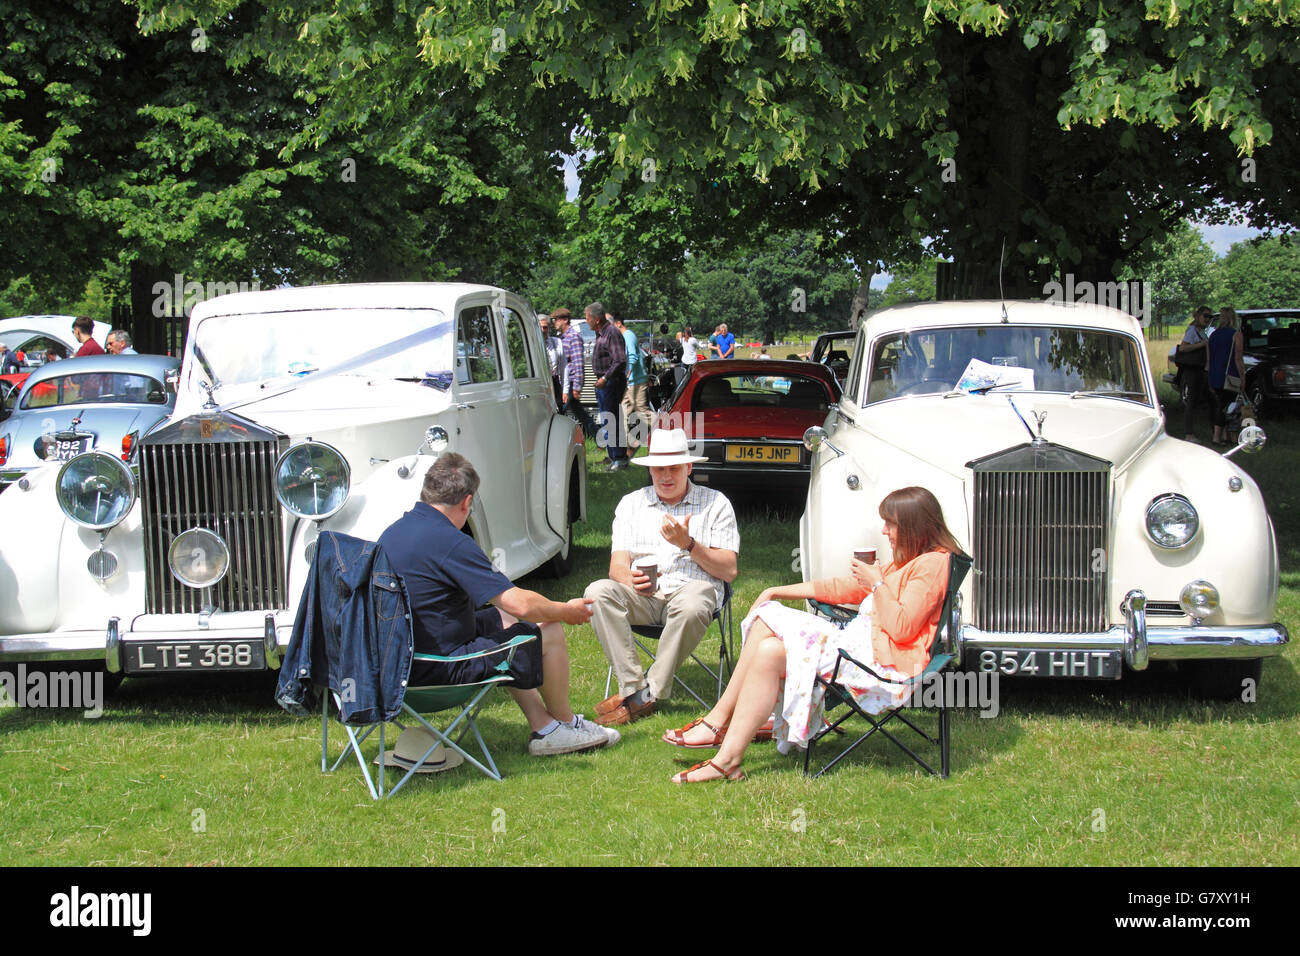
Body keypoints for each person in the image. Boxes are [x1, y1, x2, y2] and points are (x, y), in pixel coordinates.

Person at [663, 486, 963, 783]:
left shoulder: (932, 564)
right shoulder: (909, 561)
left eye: (891, 523)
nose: (884, 531)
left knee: (767, 620)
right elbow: (843, 588)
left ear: (914, 525)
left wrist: (877, 583)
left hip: (881, 664)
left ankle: (718, 725)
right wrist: (775, 590)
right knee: (768, 647)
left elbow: (902, 627)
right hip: (858, 649)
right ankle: (726, 758)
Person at [377, 453, 620, 756]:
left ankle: (546, 727)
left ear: (426, 492)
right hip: (435, 671)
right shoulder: (449, 542)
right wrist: (566, 611)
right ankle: (562, 723)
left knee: (507, 626)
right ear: (467, 502)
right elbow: (519, 604)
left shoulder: (392, 532)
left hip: (393, 662)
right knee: (547, 628)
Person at [585, 428, 740, 726]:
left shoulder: (715, 503)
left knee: (696, 599)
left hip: (689, 596)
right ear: (650, 469)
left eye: (674, 468)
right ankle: (633, 688)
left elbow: (729, 570)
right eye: (659, 469)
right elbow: (617, 565)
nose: (666, 476)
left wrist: (689, 544)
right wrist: (631, 581)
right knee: (597, 592)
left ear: (688, 468)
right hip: (644, 596)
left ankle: (647, 694)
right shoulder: (632, 504)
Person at [586, 301, 629, 471]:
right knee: (607, 420)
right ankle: (614, 458)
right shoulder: (601, 333)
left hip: (610, 382)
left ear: (596, 319)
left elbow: (619, 360)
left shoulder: (611, 332)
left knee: (611, 420)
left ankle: (619, 459)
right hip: (604, 383)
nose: (586, 321)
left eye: (587, 318)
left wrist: (605, 377)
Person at [553, 308, 597, 439]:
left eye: (557, 319)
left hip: (571, 381)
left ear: (565, 320)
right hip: (565, 381)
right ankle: (599, 438)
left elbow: (578, 363)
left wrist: (577, 386)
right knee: (580, 413)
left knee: (560, 411)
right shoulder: (562, 338)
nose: (555, 322)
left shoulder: (573, 337)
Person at [1208, 306, 1246, 447]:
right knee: (1227, 407)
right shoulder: (1236, 335)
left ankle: (1224, 436)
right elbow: (1238, 358)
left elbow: (1209, 358)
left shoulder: (1213, 335)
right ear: (1233, 318)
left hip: (1215, 374)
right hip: (1230, 375)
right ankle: (1217, 437)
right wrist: (1243, 377)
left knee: (1220, 404)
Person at [615, 315, 652, 451]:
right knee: (623, 414)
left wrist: (627, 375)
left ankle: (668, 427)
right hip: (629, 382)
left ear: (618, 323)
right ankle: (624, 449)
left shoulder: (628, 336)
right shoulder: (625, 336)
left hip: (636, 382)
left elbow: (633, 356)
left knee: (642, 411)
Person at [1176, 305, 1213, 441]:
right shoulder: (1192, 330)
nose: (1207, 319)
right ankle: (1189, 433)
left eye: (1210, 317)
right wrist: (1201, 345)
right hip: (1192, 370)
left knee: (1204, 400)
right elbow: (1183, 347)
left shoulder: (1202, 331)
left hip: (1201, 369)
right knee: (1191, 401)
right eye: (1205, 316)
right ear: (1197, 316)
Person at [538, 313, 564, 409]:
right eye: (539, 327)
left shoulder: (556, 342)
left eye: (545, 327)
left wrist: (565, 390)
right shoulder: (532, 345)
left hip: (554, 381)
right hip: (540, 383)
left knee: (559, 409)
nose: (542, 330)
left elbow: (563, 367)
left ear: (549, 328)